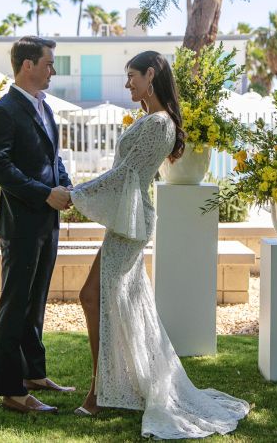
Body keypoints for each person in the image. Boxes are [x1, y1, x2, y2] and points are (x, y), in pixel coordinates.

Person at [70, 51, 249, 439]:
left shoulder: (159, 124)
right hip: (127, 220)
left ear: (151, 74)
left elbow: (126, 175)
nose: (127, 83)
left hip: (131, 224)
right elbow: (126, 177)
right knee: (103, 299)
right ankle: (112, 386)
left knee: (97, 297)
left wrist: (73, 195)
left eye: (132, 75)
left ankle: (101, 391)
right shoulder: (151, 120)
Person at [0, 36, 75, 414]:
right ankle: (11, 391)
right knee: (14, 305)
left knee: (36, 302)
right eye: (49, 63)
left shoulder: (45, 108)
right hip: (21, 223)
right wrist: (43, 194)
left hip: (46, 222)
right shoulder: (3, 111)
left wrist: (66, 186)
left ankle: (34, 374)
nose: (53, 70)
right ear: (28, 66)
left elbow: (53, 159)